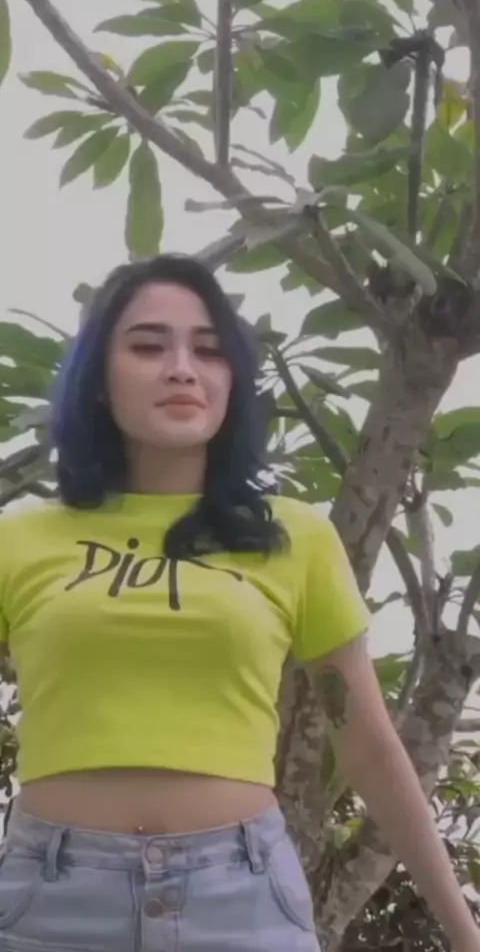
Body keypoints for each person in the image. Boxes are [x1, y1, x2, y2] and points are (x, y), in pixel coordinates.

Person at [0, 254, 477, 952]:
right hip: (52, 901)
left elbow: (369, 745)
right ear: (97, 379)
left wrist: (465, 933)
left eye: (210, 350)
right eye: (148, 346)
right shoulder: (19, 538)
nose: (182, 369)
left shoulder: (295, 537)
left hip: (240, 899)